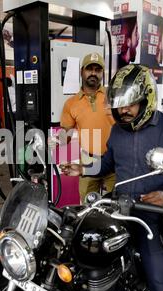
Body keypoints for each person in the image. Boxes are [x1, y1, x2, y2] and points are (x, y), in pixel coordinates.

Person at [60, 64, 163, 291]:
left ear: (147, 98)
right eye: (119, 105)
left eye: (130, 104)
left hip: (153, 218)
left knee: (161, 284)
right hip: (120, 209)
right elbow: (108, 162)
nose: (124, 111)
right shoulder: (118, 131)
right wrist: (84, 168)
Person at [55, 52, 116, 203]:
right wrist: (58, 141)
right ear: (82, 71)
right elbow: (66, 133)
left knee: (117, 205)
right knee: (88, 207)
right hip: (89, 161)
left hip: (115, 159)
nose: (93, 73)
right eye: (90, 69)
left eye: (98, 69)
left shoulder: (113, 96)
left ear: (102, 73)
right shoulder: (72, 103)